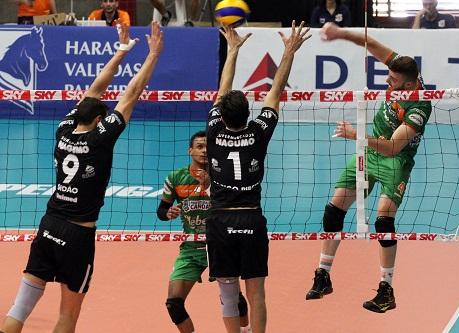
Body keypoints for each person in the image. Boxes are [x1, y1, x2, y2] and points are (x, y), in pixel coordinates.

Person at [0, 20, 163, 333]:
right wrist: (153, 54)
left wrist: (121, 52)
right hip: (77, 235)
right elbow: (131, 93)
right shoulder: (100, 139)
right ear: (100, 119)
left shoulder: (63, 130)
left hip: (48, 225)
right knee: (67, 316)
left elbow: (93, 91)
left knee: (19, 309)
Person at [305, 22, 432, 313]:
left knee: (383, 222)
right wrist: (340, 33)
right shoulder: (404, 69)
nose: (388, 81)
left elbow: (393, 148)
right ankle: (323, 275)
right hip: (368, 153)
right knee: (334, 209)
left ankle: (387, 290)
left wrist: (356, 134)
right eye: (389, 75)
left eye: (393, 80)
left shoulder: (420, 105)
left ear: (410, 85)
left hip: (394, 160)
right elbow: (372, 44)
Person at [206, 22, 310, 333]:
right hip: (251, 220)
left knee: (227, 295)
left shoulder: (212, 130)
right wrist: (289, 52)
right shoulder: (258, 131)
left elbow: (222, 90)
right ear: (248, 113)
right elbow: (276, 90)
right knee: (256, 294)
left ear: (222, 116)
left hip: (220, 222)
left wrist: (232, 49)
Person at [156, 131, 250, 333]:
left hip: (221, 245)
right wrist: (168, 213)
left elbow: (236, 205)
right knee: (173, 303)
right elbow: (161, 210)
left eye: (207, 146)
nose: (204, 151)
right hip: (191, 247)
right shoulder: (175, 178)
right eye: (199, 146)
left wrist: (209, 186)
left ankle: (246, 330)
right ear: (190, 150)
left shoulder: (223, 176)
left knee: (235, 300)